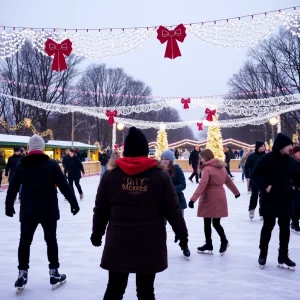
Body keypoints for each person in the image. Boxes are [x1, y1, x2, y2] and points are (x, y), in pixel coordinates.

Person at [91, 127, 188, 299]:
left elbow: (101, 210)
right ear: (144, 151)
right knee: (145, 290)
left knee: (115, 287)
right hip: (150, 241)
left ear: (126, 151)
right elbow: (173, 209)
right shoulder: (160, 175)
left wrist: (97, 233)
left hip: (119, 241)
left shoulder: (112, 175)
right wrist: (182, 234)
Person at [5, 134, 80, 291]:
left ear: (29, 148)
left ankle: (22, 274)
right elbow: (64, 185)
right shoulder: (51, 164)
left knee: (24, 241)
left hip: (28, 210)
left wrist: (8, 205)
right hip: (48, 209)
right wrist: (73, 203)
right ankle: (54, 272)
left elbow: (12, 187)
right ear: (42, 148)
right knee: (51, 240)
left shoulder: (21, 165)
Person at [251, 133, 299, 269]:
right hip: (270, 199)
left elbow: (297, 176)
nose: (291, 147)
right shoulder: (267, 158)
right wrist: (265, 186)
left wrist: (294, 185)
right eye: (289, 145)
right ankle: (263, 253)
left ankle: (283, 256)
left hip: (285, 198)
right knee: (268, 226)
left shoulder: (290, 161)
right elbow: (254, 174)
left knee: (285, 228)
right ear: (281, 146)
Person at [188, 149, 240, 255]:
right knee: (215, 222)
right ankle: (209, 244)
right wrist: (236, 192)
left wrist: (193, 199)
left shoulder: (206, 169)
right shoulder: (221, 167)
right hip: (220, 195)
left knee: (209, 222)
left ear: (206, 157)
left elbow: (202, 185)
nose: (200, 159)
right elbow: (228, 181)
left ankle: (223, 241)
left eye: (201, 157)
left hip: (209, 197)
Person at [245, 141, 266, 220]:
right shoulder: (252, 156)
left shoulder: (266, 156)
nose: (263, 147)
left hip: (264, 179)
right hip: (254, 179)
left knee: (263, 196)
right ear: (257, 147)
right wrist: (247, 176)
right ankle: (251, 209)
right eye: (261, 146)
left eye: (264, 146)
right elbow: (247, 166)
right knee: (254, 195)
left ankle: (262, 212)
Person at [290, 145, 300, 234]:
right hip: (294, 188)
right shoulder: (291, 162)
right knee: (296, 207)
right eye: (298, 152)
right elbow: (286, 175)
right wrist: (292, 184)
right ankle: (295, 223)